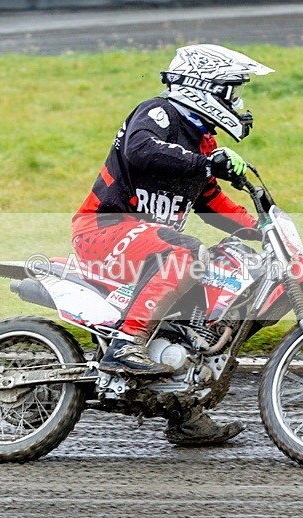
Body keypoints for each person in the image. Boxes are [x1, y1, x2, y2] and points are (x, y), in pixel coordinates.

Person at [71, 44, 273, 445]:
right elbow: (140, 151)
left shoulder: (202, 143)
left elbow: (211, 200)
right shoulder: (157, 113)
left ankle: (183, 409)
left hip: (149, 244)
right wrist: (207, 164)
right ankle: (125, 345)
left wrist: (260, 228)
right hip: (103, 231)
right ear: (204, 87)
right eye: (232, 92)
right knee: (188, 252)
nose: (238, 102)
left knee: (211, 299)